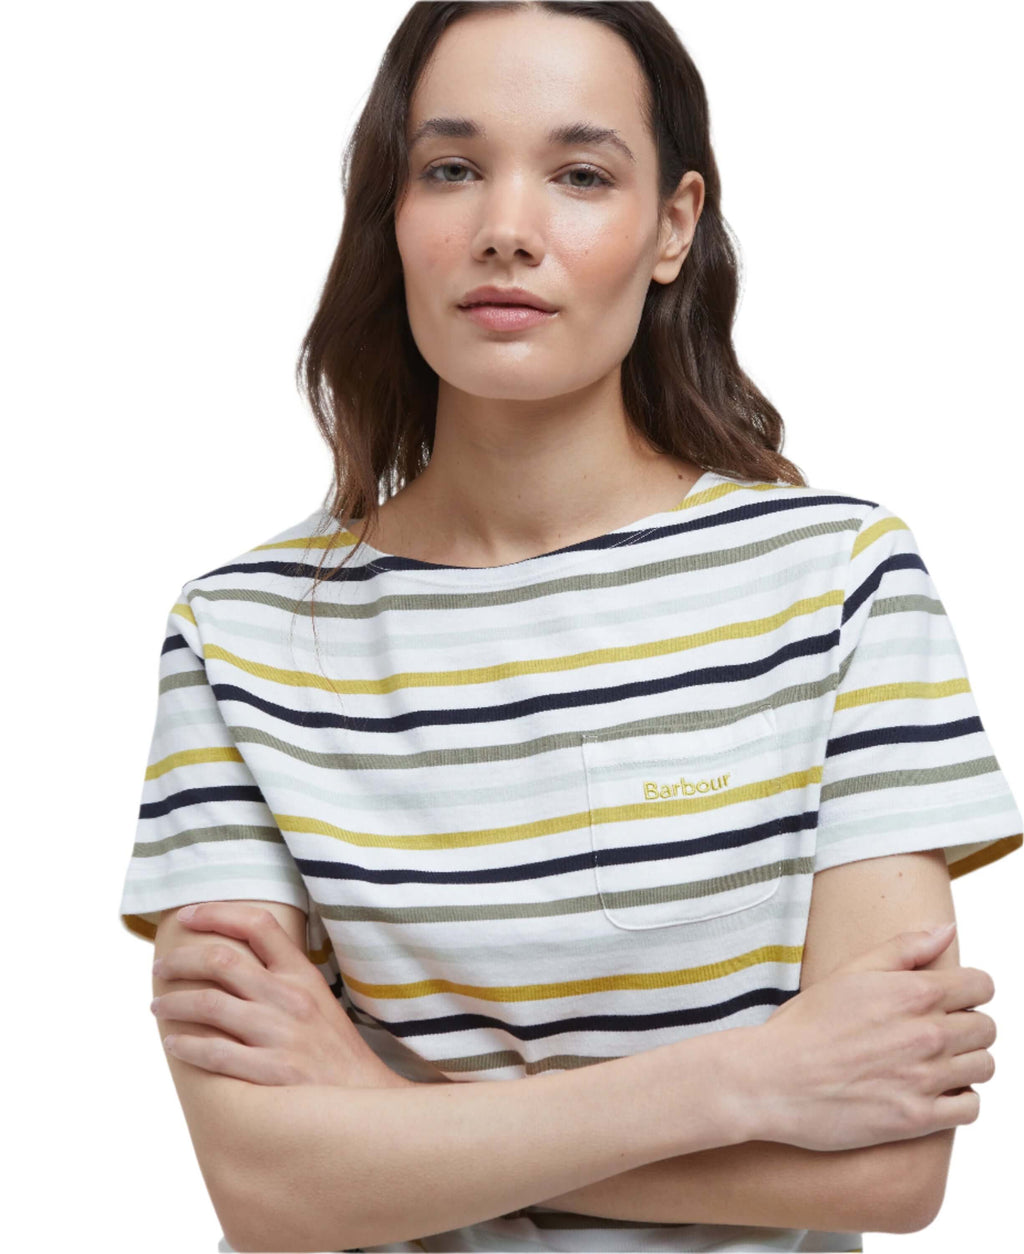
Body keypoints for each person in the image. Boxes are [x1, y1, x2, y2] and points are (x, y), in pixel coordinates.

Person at [119, 3, 1022, 1251]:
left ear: (673, 226)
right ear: (391, 213)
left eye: (581, 175)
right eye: (451, 169)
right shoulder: (243, 635)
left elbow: (885, 1168)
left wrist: (385, 1112)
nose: (506, 228)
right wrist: (746, 1083)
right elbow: (269, 1189)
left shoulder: (837, 583)